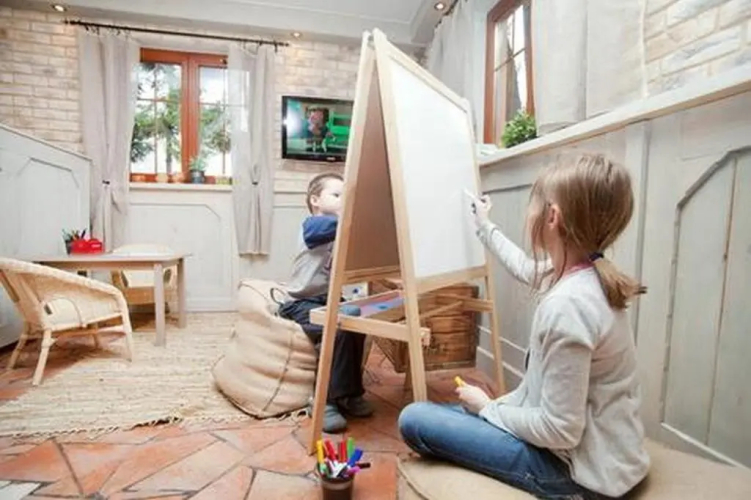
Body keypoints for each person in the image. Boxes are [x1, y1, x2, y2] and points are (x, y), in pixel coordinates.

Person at [398, 153, 650, 499]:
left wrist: (488, 408)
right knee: (452, 414)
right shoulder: (581, 273)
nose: (528, 212)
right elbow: (522, 265)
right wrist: (484, 224)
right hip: (605, 454)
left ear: (552, 216)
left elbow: (560, 431)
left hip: (576, 473)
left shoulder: (569, 305)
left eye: (534, 202)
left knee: (415, 419)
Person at [278, 172, 372, 433]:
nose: (343, 200)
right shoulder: (313, 225)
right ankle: (323, 400)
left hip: (328, 299)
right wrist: (357, 216)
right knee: (337, 328)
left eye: (346, 196)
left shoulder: (340, 229)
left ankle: (350, 393)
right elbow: (332, 227)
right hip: (301, 302)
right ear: (315, 200)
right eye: (337, 195)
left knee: (357, 321)